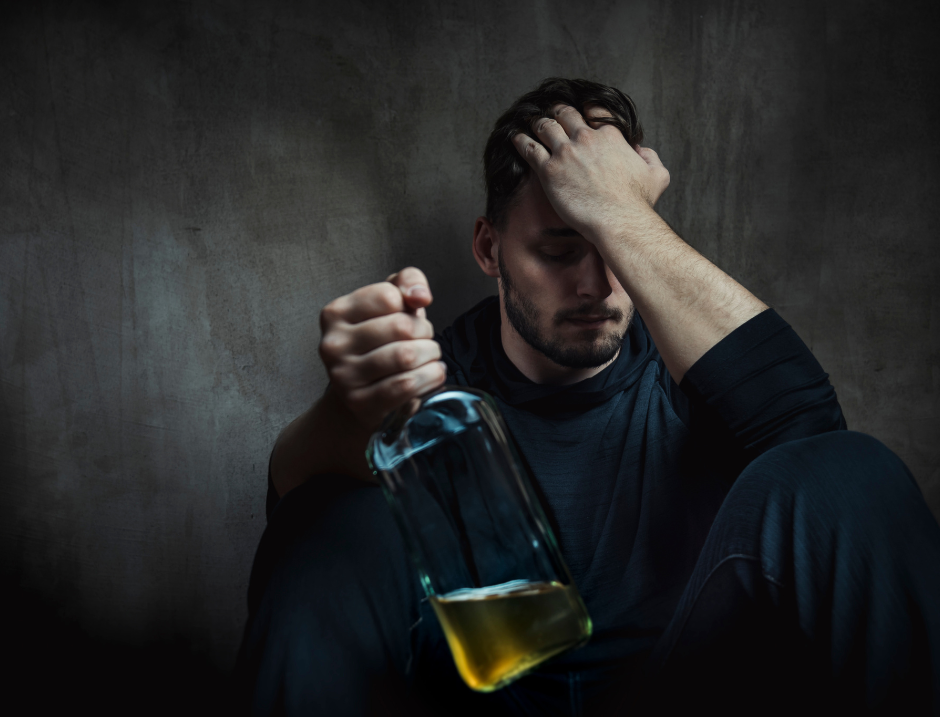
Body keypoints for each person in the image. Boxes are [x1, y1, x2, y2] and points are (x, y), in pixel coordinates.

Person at [236, 78, 940, 716]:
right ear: (489, 249)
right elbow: (298, 503)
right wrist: (346, 408)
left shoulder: (695, 366)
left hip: (677, 695)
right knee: (325, 520)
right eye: (560, 247)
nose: (597, 285)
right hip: (482, 700)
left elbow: (819, 443)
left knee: (852, 470)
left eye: (610, 240)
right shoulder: (427, 373)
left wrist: (619, 213)